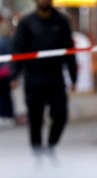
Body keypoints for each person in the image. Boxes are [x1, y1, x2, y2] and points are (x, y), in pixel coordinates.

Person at [11, 0, 77, 159]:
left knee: (60, 115)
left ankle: (51, 145)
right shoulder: (27, 22)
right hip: (33, 78)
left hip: (55, 77)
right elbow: (19, 48)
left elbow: (69, 49)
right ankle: (37, 154)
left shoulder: (61, 21)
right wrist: (14, 74)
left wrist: (74, 76)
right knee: (35, 120)